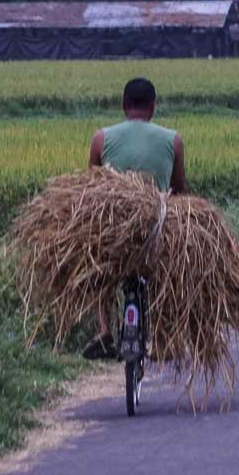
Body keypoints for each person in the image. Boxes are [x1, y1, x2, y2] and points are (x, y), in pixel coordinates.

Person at [82, 77, 187, 359]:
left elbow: (91, 187)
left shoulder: (101, 138)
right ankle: (165, 338)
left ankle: (104, 329)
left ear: (123, 105)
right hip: (157, 229)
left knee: (96, 269)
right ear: (153, 107)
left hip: (113, 230)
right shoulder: (173, 140)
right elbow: (178, 189)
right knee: (171, 273)